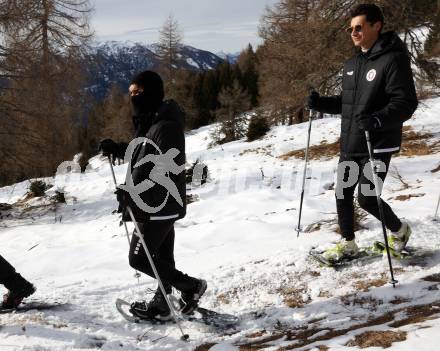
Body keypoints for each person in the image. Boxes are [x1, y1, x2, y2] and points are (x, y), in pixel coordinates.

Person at [306, 4, 418, 262]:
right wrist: (320, 103)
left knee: (367, 197)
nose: (353, 32)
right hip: (352, 142)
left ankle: (400, 231)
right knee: (342, 193)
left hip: (377, 143)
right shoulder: (353, 63)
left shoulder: (393, 59)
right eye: (350, 29)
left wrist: (378, 120)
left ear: (376, 25)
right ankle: (348, 245)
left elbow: (405, 102)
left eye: (359, 27)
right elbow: (347, 104)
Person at [99, 70, 206, 321]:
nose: (133, 98)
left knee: (139, 258)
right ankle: (162, 303)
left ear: (152, 93)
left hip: (160, 205)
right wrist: (117, 148)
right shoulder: (151, 121)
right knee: (160, 258)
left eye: (138, 93)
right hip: (156, 205)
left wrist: (134, 194)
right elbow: (144, 153)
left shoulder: (166, 126)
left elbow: (165, 169)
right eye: (130, 94)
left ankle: (191, 286)